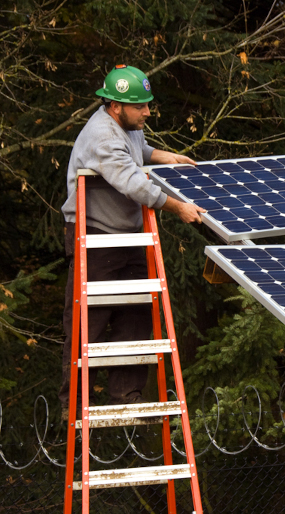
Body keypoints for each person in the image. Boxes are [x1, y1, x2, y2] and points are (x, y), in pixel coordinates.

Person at [59, 65, 206, 411]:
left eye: (147, 104)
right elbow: (134, 184)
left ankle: (126, 395)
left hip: (127, 236)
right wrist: (179, 208)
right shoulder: (102, 137)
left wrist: (162, 155)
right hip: (93, 237)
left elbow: (137, 149)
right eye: (140, 106)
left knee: (137, 314)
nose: (147, 112)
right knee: (87, 323)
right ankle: (75, 404)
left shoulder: (125, 125)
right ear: (114, 106)